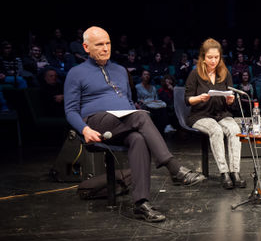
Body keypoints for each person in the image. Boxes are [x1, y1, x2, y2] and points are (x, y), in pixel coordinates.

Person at [64, 27, 205, 223]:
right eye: (99, 45)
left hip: (123, 122)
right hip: (95, 123)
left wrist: (131, 112)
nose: (105, 48)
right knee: (140, 116)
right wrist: (84, 129)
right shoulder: (76, 73)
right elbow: (70, 110)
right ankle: (174, 169)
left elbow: (129, 103)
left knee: (138, 138)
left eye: (108, 43)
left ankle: (141, 204)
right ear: (86, 47)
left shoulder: (120, 70)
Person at [185, 38, 246, 189]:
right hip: (200, 115)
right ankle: (224, 173)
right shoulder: (195, 74)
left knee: (234, 130)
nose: (213, 61)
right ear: (203, 57)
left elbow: (231, 101)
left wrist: (231, 101)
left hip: (221, 113)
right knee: (216, 131)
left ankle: (235, 172)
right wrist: (199, 98)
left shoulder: (225, 74)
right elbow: (187, 100)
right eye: (210, 57)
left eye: (216, 57)